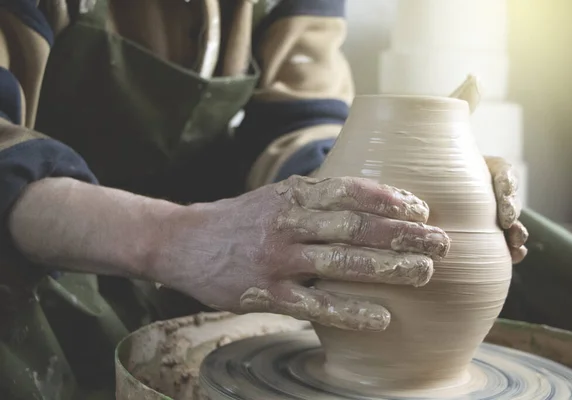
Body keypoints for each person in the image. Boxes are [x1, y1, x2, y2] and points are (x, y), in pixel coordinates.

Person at [0, 0, 528, 398]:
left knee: (517, 249)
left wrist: (371, 190)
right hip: (46, 225)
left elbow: (298, 120)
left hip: (221, 211)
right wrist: (172, 238)